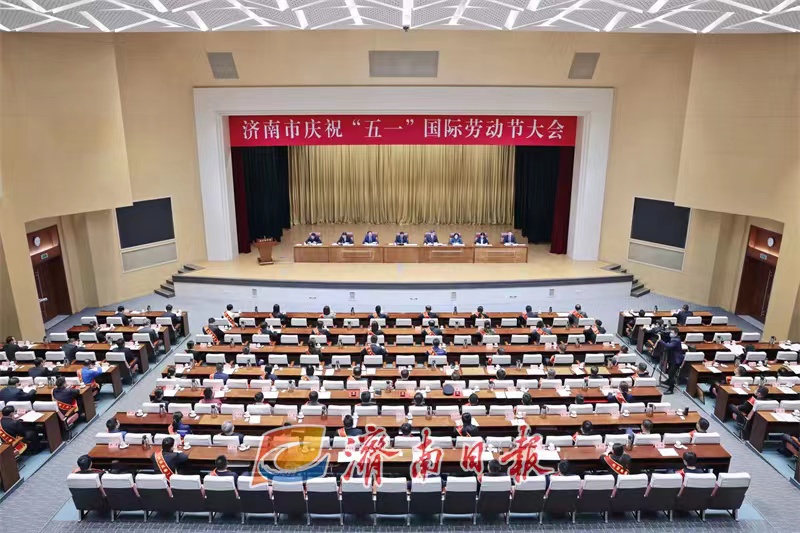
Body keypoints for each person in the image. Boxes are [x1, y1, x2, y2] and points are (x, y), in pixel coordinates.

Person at [657, 328, 684, 394]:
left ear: (676, 333)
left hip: (676, 360)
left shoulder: (676, 340)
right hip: (672, 358)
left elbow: (668, 346)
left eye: (672, 333)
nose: (670, 334)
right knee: (669, 371)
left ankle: (671, 389)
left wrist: (660, 340)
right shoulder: (674, 338)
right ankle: (668, 381)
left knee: (671, 374)